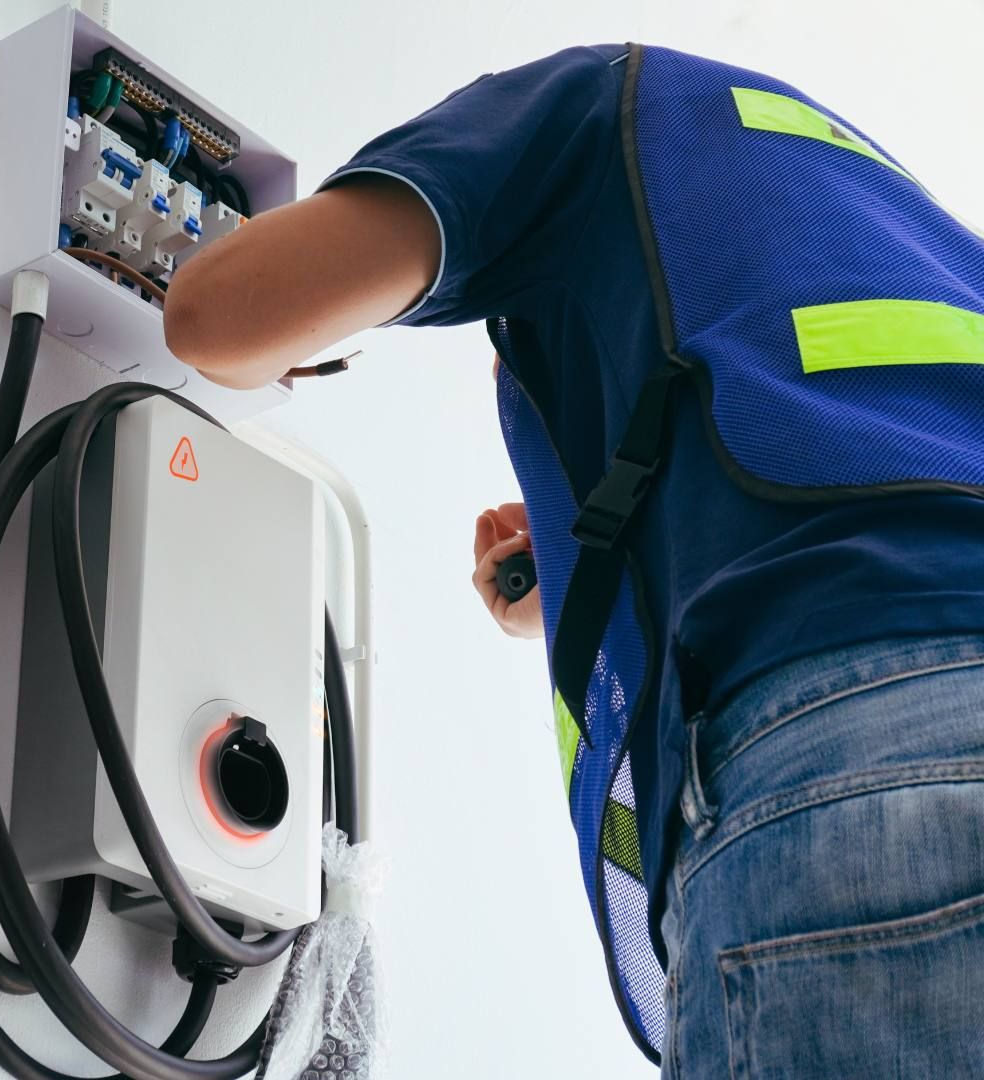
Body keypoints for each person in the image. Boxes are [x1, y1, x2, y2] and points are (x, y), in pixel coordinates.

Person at [164, 43, 984, 1077]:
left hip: (859, 770)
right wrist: (586, 580)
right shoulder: (924, 236)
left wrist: (277, 325)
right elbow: (850, 472)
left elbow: (213, 315)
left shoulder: (603, 105)